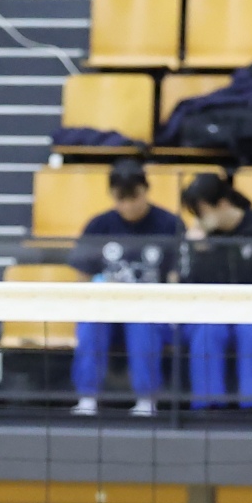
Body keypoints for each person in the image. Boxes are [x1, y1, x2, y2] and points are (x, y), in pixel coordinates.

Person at [69, 158, 183, 419]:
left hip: (151, 310)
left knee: (143, 324)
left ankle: (146, 399)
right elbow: (82, 278)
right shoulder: (99, 225)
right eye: (122, 199)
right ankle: (87, 398)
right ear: (111, 195)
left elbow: (177, 278)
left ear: (146, 190)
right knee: (91, 323)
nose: (129, 206)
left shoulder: (169, 224)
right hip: (106, 307)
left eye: (135, 197)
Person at [178, 173, 252, 415]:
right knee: (208, 330)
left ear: (222, 204)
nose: (198, 219)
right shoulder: (197, 237)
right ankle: (207, 408)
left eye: (201, 211)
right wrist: (199, 253)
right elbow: (188, 286)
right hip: (211, 314)